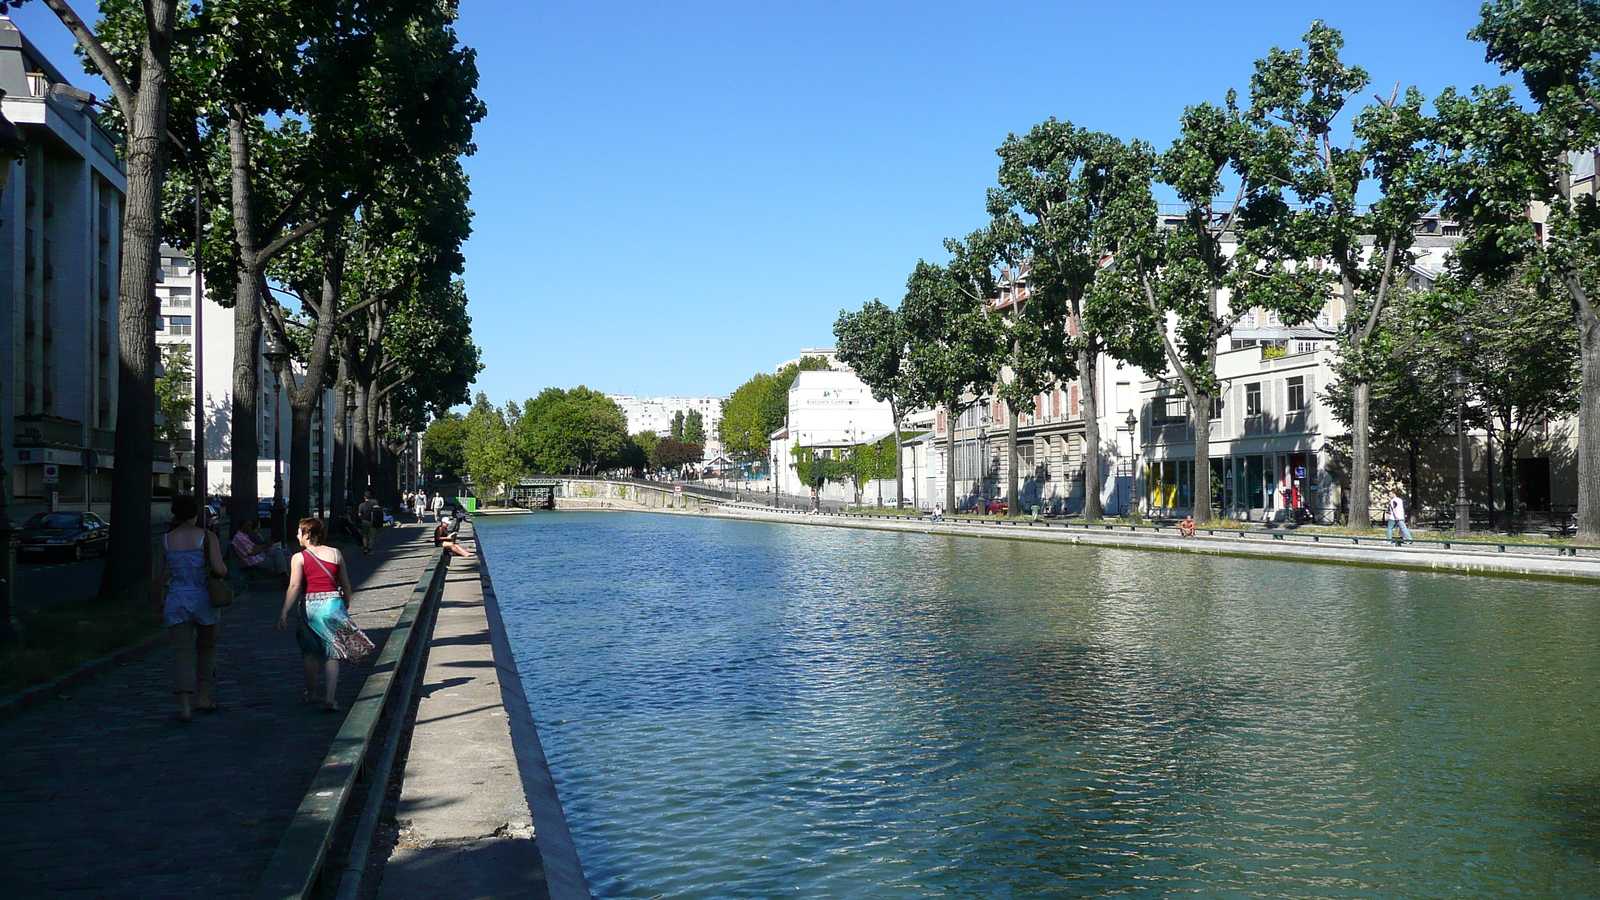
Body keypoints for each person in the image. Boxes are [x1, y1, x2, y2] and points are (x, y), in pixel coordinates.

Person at [151, 495, 228, 722]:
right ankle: (203, 697)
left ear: (175, 514)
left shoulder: (165, 540)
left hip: (177, 599)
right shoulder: (207, 537)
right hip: (204, 599)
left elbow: (157, 577)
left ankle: (184, 707)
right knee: (207, 648)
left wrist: (158, 601)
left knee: (181, 653)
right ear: (196, 514)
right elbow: (220, 569)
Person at [277, 517, 358, 711]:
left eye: (299, 532)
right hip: (333, 604)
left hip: (310, 606)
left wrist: (284, 611)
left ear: (307, 535)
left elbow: (295, 585)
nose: (297, 535)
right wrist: (346, 601)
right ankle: (330, 697)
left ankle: (312, 694)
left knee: (310, 651)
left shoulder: (299, 557)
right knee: (333, 652)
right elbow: (345, 582)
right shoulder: (336, 553)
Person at [357, 491, 381, 555]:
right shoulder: (373, 504)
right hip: (372, 521)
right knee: (371, 536)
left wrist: (361, 519)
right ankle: (370, 548)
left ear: (364, 497)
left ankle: (365, 547)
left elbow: (359, 514)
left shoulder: (361, 505)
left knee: (364, 535)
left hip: (365, 521)